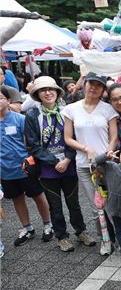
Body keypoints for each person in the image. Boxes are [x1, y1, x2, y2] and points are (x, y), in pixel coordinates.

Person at [24, 76, 96, 252]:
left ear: (57, 92)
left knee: (74, 203)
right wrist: (55, 161)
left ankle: (81, 231)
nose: (48, 93)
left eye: (51, 89)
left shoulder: (68, 111)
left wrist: (67, 159)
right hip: (48, 170)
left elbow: (76, 137)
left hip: (69, 165)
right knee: (55, 206)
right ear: (37, 94)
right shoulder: (32, 115)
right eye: (43, 90)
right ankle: (61, 236)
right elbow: (33, 144)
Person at [63, 72, 118, 255]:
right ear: (84, 85)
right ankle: (105, 240)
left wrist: (107, 152)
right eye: (90, 84)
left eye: (98, 85)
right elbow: (68, 138)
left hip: (105, 165)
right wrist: (86, 149)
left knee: (110, 204)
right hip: (84, 165)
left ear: (103, 90)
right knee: (96, 206)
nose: (94, 87)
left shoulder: (108, 109)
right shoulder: (71, 109)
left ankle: (119, 239)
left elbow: (114, 136)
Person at [0, 86, 53, 246]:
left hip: (25, 168)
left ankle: (48, 225)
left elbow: (31, 143)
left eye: (1, 97)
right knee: (17, 198)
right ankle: (27, 228)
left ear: (9, 101)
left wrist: (32, 162)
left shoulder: (20, 119)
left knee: (38, 195)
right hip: (5, 170)